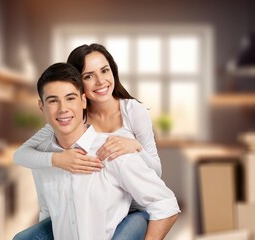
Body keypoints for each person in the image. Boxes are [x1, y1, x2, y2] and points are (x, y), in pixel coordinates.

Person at [14, 62, 179, 240]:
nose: (63, 109)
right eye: (53, 100)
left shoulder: (112, 151)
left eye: (70, 98)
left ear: (83, 101)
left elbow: (165, 203)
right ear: (41, 107)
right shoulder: (43, 156)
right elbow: (48, 211)